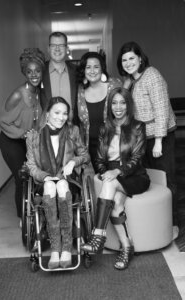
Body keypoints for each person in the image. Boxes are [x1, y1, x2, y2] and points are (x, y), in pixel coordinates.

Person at [81, 87, 150, 270]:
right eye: (114, 102)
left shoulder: (138, 126)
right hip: (112, 178)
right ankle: (127, 248)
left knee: (110, 184)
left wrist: (116, 172)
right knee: (116, 205)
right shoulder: (105, 128)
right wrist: (104, 172)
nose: (118, 107)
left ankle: (97, 236)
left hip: (134, 176)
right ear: (109, 105)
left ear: (128, 105)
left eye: (122, 102)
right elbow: (99, 159)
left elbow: (137, 159)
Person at [117, 41, 178, 225]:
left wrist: (159, 140)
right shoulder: (132, 80)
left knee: (166, 180)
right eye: (124, 60)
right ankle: (156, 222)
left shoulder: (152, 75)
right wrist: (126, 86)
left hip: (159, 137)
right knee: (151, 179)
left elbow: (162, 109)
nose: (128, 63)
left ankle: (171, 223)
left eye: (132, 58)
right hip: (143, 138)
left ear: (140, 58)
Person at [26, 97, 90, 269]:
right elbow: (31, 166)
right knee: (50, 185)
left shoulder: (73, 131)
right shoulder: (33, 136)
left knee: (61, 185)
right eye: (57, 112)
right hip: (44, 182)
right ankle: (56, 248)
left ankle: (67, 247)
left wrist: (72, 162)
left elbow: (85, 155)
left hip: (68, 181)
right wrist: (45, 176)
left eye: (65, 113)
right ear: (47, 114)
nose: (61, 117)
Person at [0, 48, 46, 220]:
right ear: (24, 73)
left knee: (35, 175)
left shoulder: (39, 92)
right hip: (11, 141)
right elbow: (3, 121)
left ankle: (32, 210)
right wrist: (23, 133)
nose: (34, 75)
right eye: (29, 71)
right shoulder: (18, 94)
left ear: (42, 72)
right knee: (22, 178)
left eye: (37, 71)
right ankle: (23, 218)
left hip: (29, 141)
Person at [76, 51, 122, 171]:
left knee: (116, 181)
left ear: (102, 68)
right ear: (83, 70)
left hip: (114, 144)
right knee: (99, 182)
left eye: (96, 67)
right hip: (91, 146)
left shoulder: (114, 85)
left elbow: (126, 110)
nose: (92, 71)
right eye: (88, 67)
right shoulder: (80, 90)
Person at [41, 31, 78, 123]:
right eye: (53, 45)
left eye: (61, 45)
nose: (57, 49)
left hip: (72, 128)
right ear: (48, 48)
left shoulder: (77, 71)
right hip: (47, 130)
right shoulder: (40, 71)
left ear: (66, 48)